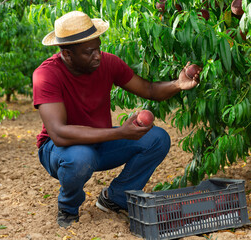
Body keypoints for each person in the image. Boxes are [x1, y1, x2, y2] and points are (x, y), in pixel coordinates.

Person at [32, 11, 200, 228]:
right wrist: (120, 132)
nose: (98, 56)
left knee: (157, 139)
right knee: (80, 158)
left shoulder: (108, 63)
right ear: (67, 54)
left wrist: (178, 84)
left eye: (98, 48)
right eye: (89, 52)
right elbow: (59, 134)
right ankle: (68, 207)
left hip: (99, 143)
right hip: (59, 150)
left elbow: (148, 89)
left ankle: (114, 199)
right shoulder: (46, 75)